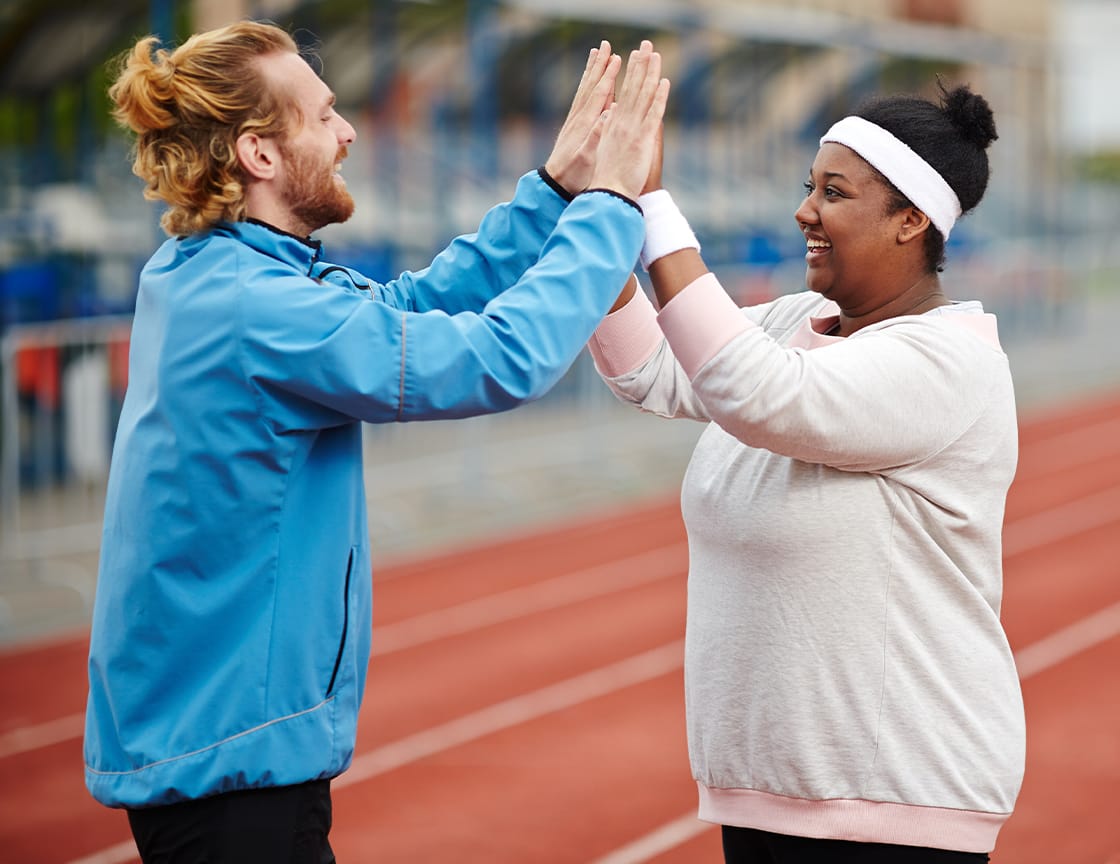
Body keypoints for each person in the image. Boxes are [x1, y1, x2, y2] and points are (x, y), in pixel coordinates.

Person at [83, 19, 668, 862]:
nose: (349, 130)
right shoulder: (256, 303)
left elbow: (406, 310)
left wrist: (555, 190)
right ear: (259, 154)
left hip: (229, 747)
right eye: (323, 116)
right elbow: (495, 359)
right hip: (232, 764)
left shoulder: (223, 272)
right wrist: (612, 207)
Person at [589, 81, 1024, 862]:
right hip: (773, 793)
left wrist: (653, 204)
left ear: (910, 221)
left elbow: (755, 392)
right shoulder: (797, 321)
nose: (805, 210)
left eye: (834, 191)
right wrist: (598, 206)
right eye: (808, 187)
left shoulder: (949, 362)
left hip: (893, 801)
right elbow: (652, 366)